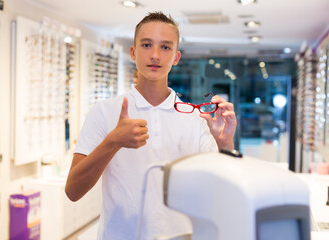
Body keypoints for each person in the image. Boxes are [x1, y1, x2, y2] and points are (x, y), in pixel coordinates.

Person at [65, 12, 237, 240]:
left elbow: (222, 193)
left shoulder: (194, 118)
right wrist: (113, 142)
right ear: (133, 52)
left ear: (176, 57)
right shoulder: (105, 111)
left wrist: (225, 143)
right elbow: (73, 191)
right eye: (147, 45)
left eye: (165, 47)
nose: (155, 55)